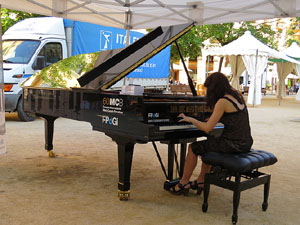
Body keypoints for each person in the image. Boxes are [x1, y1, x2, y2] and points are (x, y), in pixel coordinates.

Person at [169, 72, 253, 195]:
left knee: (193, 147)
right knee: (209, 144)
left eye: (209, 89)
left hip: (233, 145)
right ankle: (202, 180)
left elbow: (207, 128)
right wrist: (214, 118)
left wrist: (191, 119)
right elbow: (233, 118)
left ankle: (183, 183)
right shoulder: (236, 96)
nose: (208, 92)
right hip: (245, 142)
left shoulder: (222, 101)